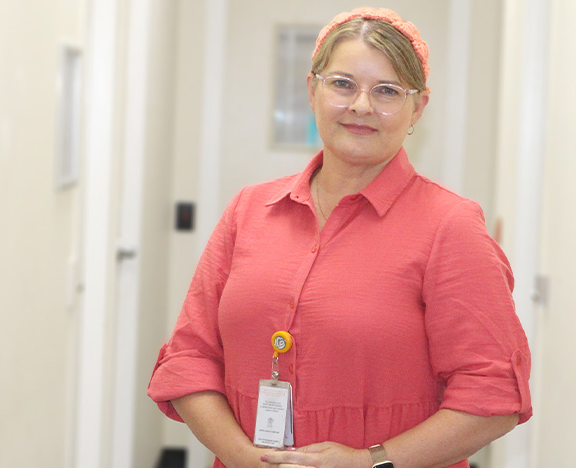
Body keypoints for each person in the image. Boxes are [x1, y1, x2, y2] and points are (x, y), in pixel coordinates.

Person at [148, 7, 532, 468]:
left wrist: (369, 462)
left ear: (418, 107)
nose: (361, 106)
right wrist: (241, 457)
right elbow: (190, 359)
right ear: (312, 90)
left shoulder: (450, 227)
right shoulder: (249, 211)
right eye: (342, 84)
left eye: (387, 90)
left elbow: (494, 396)